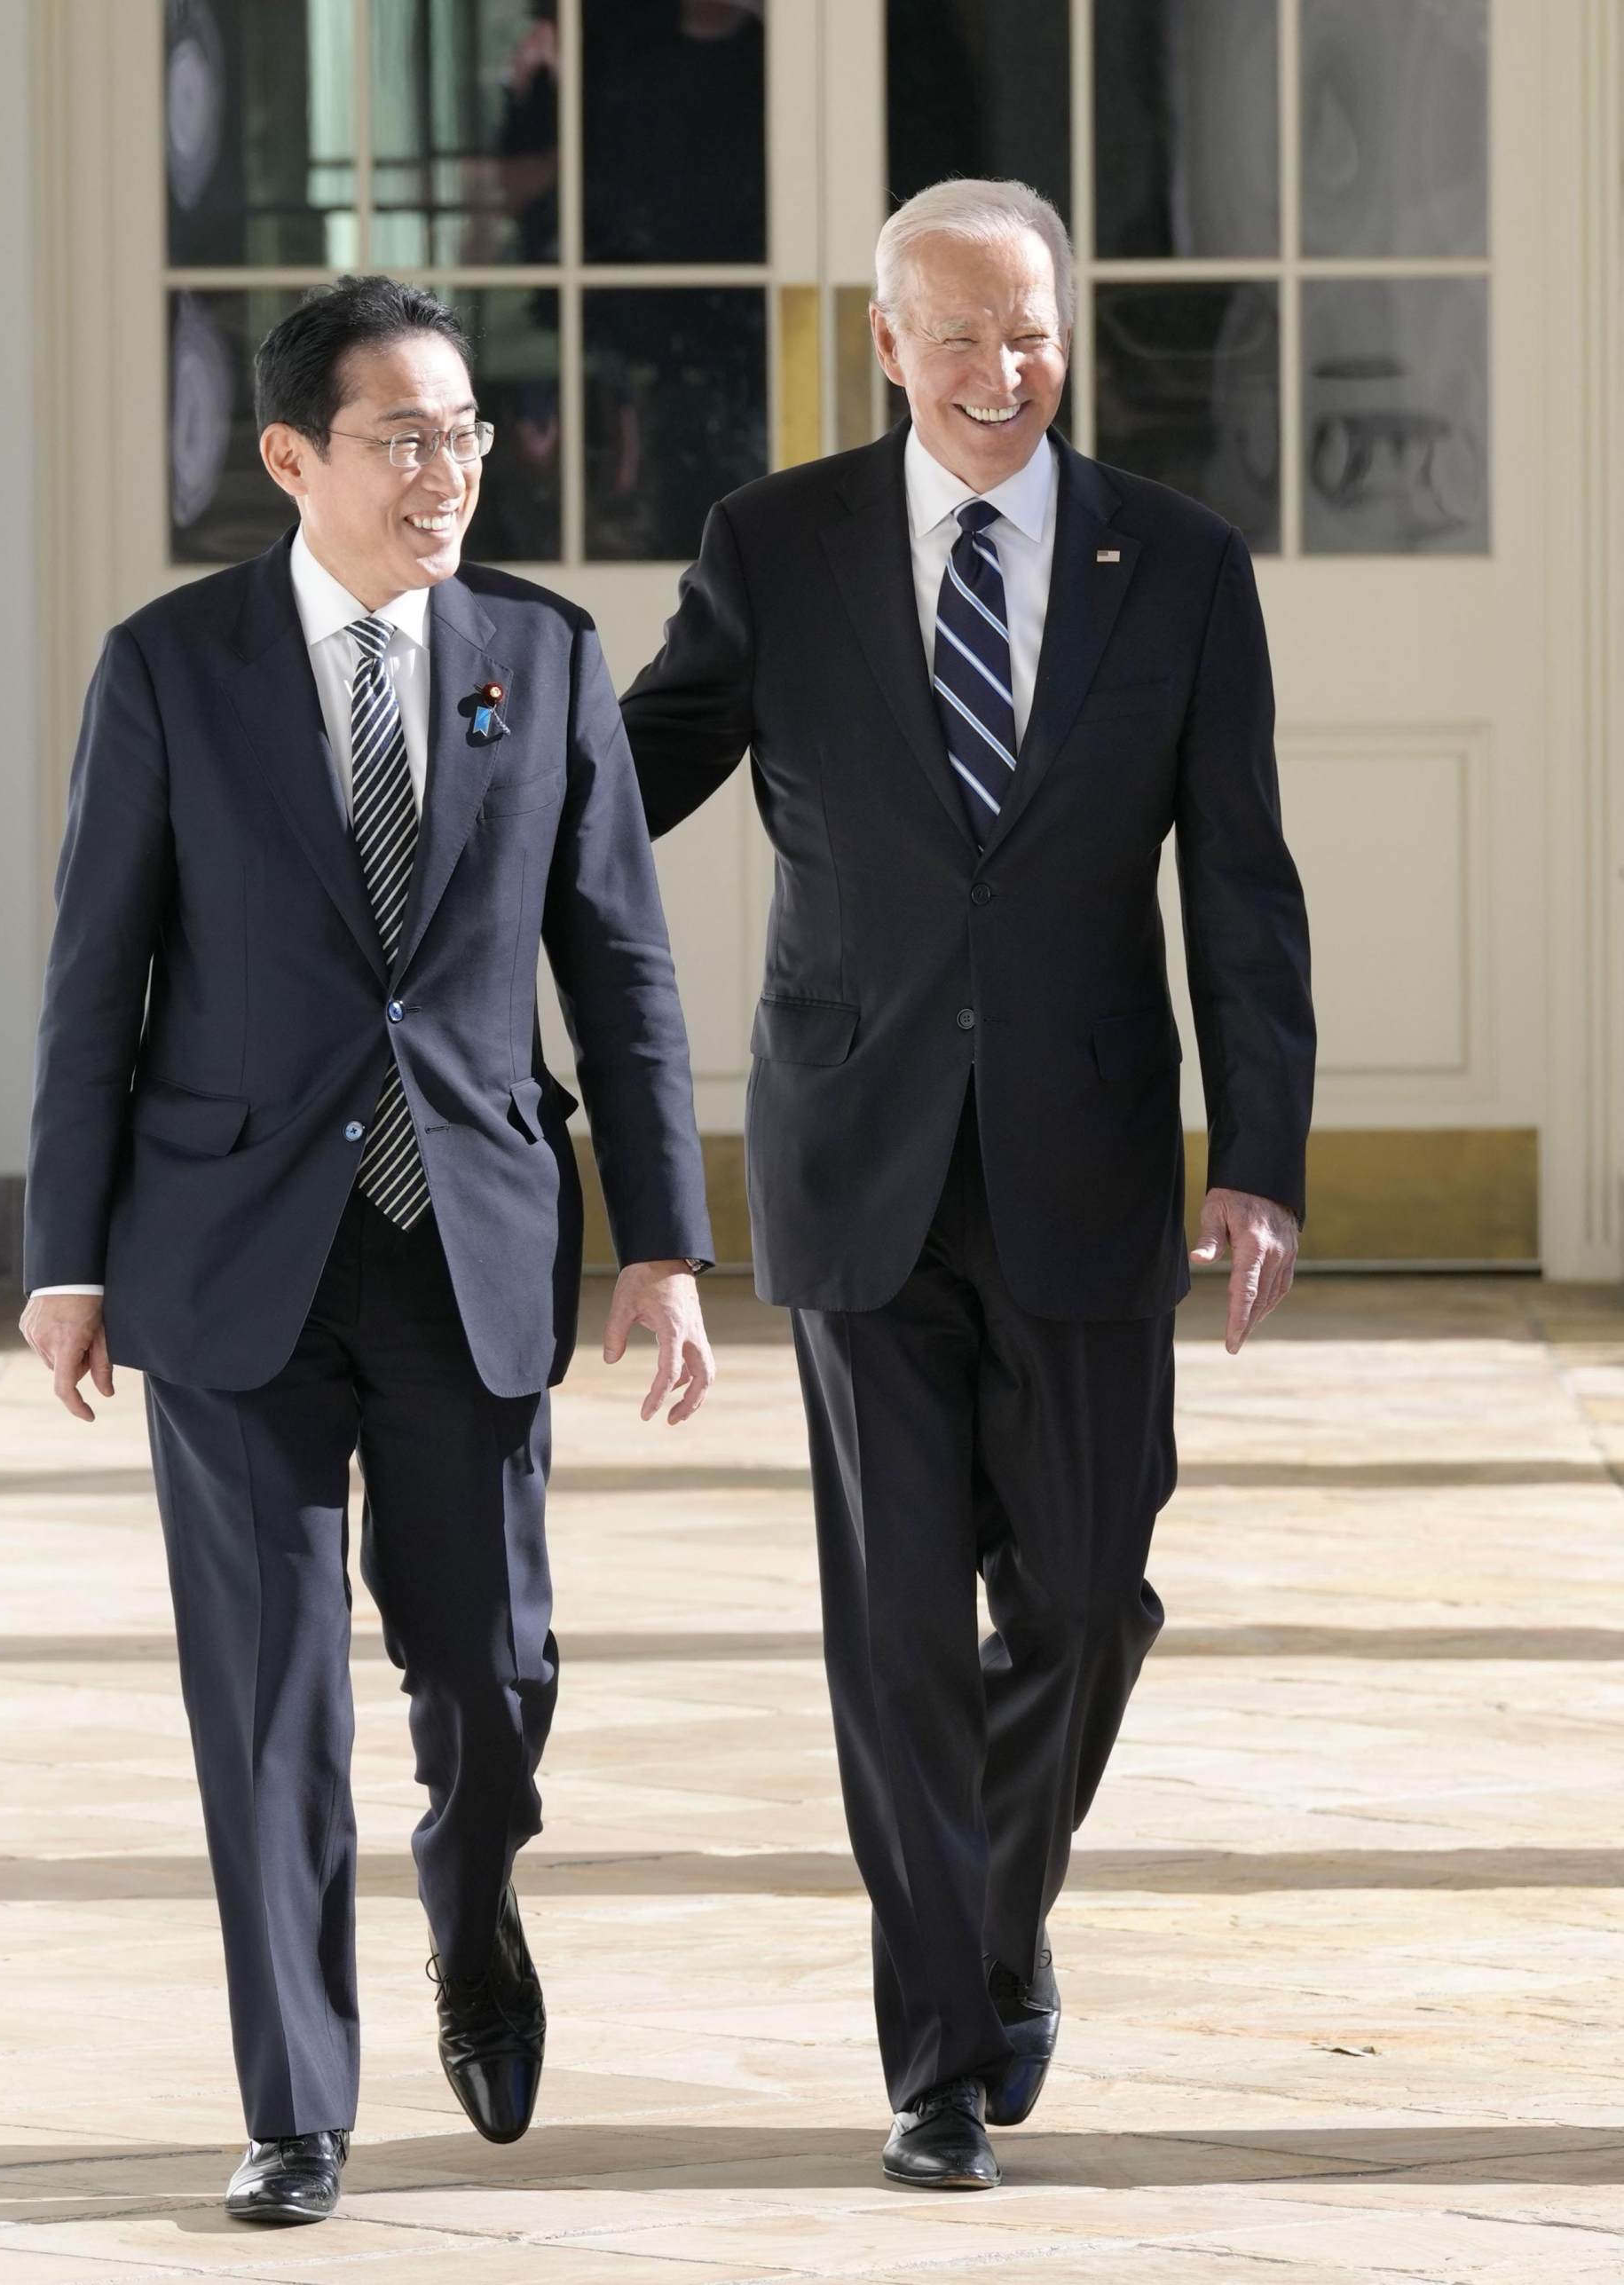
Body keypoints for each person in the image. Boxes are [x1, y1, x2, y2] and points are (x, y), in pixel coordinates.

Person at [621, 179, 1313, 2191]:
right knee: (901, 1630)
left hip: (1092, 1166)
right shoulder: (778, 547)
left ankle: (993, 1916)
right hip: (857, 1164)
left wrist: (1257, 1160)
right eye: (960, 335)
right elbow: (630, 765)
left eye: (1030, 333)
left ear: (1064, 335)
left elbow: (1240, 881)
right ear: (887, 342)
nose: (1000, 372)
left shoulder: (1173, 563)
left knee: (1089, 1598)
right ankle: (936, 2047)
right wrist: (437, 731)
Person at [20, 275, 716, 2226]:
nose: (448, 471)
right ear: (291, 459)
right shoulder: (172, 668)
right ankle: (294, 2101)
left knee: (489, 1672)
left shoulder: (544, 656)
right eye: (403, 436)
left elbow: (623, 968)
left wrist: (663, 1239)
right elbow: (97, 975)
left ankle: (473, 1899)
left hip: (466, 1235)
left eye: (467, 434)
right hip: (227, 1245)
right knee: (267, 1696)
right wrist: (62, 1254)